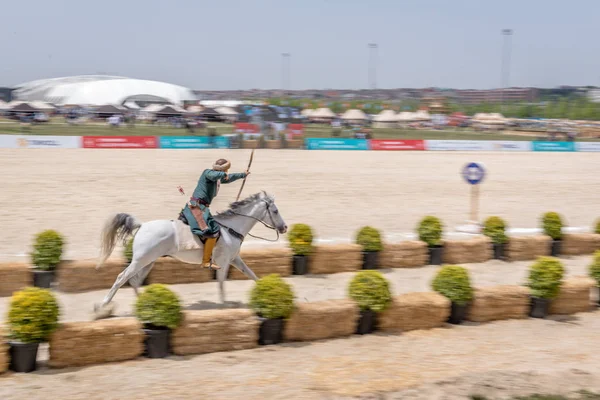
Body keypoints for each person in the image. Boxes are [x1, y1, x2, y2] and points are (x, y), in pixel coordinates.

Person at [180, 158, 249, 270]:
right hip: (197, 207)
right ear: (222, 169)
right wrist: (223, 174)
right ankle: (206, 261)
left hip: (202, 207)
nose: (226, 173)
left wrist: (243, 175)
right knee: (213, 231)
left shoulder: (218, 178)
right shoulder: (208, 173)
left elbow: (228, 178)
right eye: (226, 170)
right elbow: (215, 175)